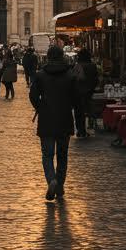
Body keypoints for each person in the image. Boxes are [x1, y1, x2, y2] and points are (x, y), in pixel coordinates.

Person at [30, 45, 82, 201]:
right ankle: (59, 186)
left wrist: (41, 107)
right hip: (64, 119)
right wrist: (69, 107)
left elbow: (33, 96)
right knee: (62, 155)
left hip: (46, 120)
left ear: (48, 57)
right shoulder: (70, 75)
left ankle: (51, 180)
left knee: (47, 155)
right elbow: (76, 98)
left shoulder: (40, 75)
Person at [73, 48, 100, 137]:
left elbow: (73, 79)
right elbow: (96, 79)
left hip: (78, 93)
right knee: (88, 110)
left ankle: (80, 130)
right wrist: (91, 88)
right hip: (89, 92)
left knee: (79, 112)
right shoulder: (92, 66)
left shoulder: (77, 66)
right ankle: (89, 126)